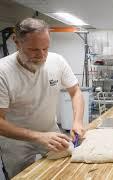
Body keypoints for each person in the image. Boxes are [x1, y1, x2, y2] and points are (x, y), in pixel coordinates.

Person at [0, 18, 86, 179]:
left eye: (45, 48)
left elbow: (75, 92)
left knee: (64, 172)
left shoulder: (57, 61)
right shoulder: (3, 72)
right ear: (16, 42)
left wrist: (77, 121)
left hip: (51, 132)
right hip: (16, 141)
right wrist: (38, 136)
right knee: (22, 176)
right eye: (33, 50)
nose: (41, 56)